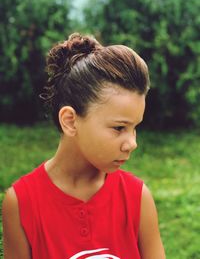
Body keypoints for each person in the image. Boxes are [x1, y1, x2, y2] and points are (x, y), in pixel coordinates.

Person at [2, 33, 166, 259]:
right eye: (119, 128)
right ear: (70, 120)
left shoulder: (137, 198)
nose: (132, 143)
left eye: (134, 127)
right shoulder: (21, 204)